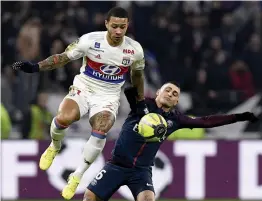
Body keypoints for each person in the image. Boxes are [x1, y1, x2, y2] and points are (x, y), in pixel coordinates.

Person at [11, 7, 147, 199]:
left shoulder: (134, 50)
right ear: (107, 24)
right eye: (114, 26)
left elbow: (137, 76)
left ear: (127, 26)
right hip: (84, 88)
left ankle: (77, 176)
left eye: (122, 27)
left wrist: (140, 102)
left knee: (101, 129)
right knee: (63, 118)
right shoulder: (90, 41)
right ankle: (54, 146)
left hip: (108, 97)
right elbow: (62, 59)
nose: (118, 31)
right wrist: (36, 67)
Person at [83, 81, 258, 201]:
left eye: (175, 94)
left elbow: (206, 121)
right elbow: (130, 91)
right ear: (158, 92)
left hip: (141, 172)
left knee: (147, 199)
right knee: (90, 197)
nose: (171, 94)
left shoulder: (176, 119)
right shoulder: (144, 105)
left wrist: (238, 117)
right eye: (168, 90)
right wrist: (134, 94)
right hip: (116, 165)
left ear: (176, 101)